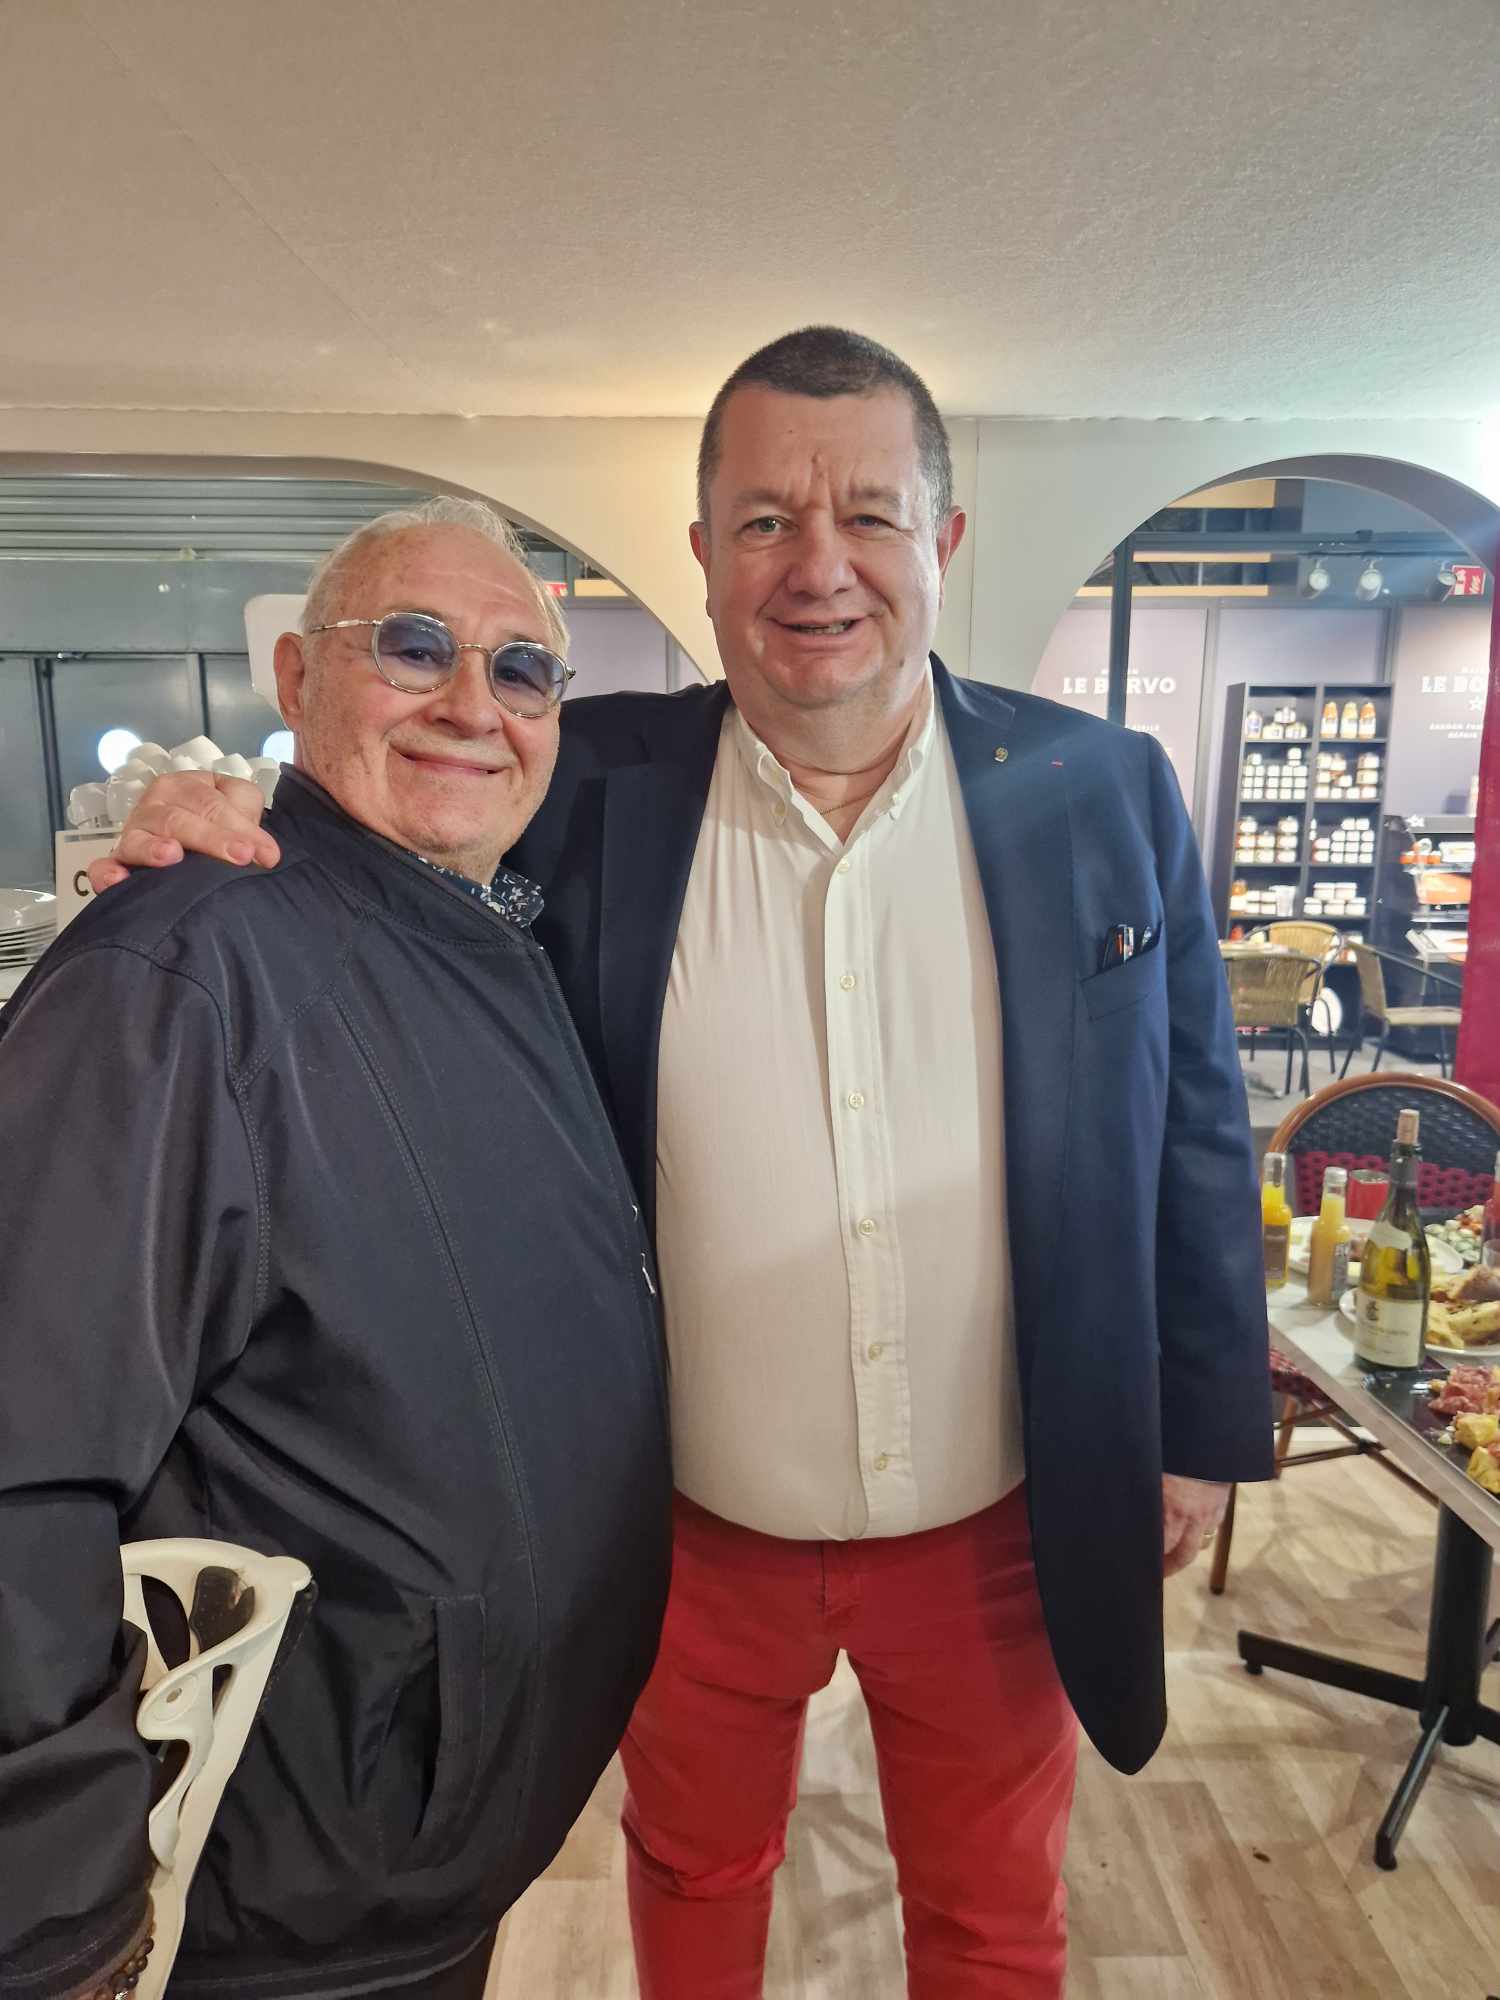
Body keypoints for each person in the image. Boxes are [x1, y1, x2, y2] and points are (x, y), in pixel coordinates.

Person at [95, 329, 1273, 1999]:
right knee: (694, 1875)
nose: (819, 567)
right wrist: (213, 820)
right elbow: (385, 832)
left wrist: (1205, 1428)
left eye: (868, 516)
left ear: (942, 542)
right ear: (705, 553)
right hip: (684, 1520)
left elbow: (1197, 1119)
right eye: (766, 520)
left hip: (1001, 1513)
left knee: (996, 1916)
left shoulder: (1103, 790)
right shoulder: (588, 782)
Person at [0, 499, 671, 2000]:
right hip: (269, 1902)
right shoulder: (183, 974)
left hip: (410, 1852)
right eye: (414, 648)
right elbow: (21, 1458)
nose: (472, 705)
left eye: (520, 670)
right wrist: (58, 1917)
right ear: (298, 680)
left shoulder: (476, 930)